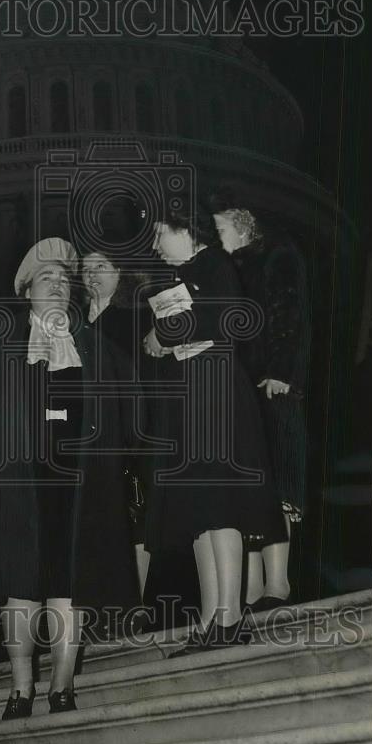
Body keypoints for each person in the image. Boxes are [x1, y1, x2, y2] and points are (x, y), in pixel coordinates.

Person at [0, 238, 139, 719]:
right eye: (46, 279)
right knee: (21, 583)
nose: (57, 285)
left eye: (63, 278)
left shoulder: (95, 346)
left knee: (69, 580)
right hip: (18, 482)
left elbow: (129, 407)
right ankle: (20, 687)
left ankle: (61, 682)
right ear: (26, 290)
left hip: (79, 481)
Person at [142, 205, 287, 649]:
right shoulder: (186, 272)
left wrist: (163, 335)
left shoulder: (214, 264)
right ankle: (211, 618)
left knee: (219, 505)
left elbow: (212, 323)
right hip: (192, 398)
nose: (154, 246)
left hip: (215, 396)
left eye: (159, 233)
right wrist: (167, 337)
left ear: (184, 228)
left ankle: (229, 616)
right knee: (199, 513)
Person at [210, 198, 310, 609]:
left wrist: (283, 372)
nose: (213, 239)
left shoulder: (275, 257)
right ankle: (250, 587)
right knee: (248, 487)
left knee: (277, 482)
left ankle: (278, 583)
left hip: (271, 385)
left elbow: (290, 315)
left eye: (218, 230)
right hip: (240, 389)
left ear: (243, 227)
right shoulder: (225, 271)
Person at [81, 248, 152, 601]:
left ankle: (136, 601)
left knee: (135, 516)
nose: (91, 274)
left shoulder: (134, 316)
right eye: (85, 268)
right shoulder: (75, 321)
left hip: (127, 431)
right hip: (86, 436)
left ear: (119, 272)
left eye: (101, 266)